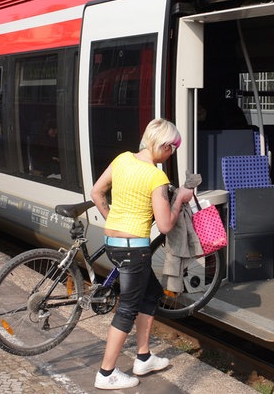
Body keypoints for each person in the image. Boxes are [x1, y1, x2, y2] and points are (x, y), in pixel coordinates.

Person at [90, 118, 194, 390]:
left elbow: (96, 191)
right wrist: (180, 198)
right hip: (134, 251)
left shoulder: (122, 159)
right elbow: (165, 225)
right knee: (126, 309)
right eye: (173, 147)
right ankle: (106, 373)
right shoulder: (156, 176)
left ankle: (144, 357)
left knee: (151, 294)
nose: (172, 153)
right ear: (163, 145)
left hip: (113, 243)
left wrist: (113, 220)